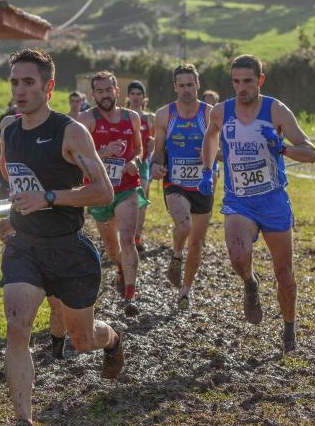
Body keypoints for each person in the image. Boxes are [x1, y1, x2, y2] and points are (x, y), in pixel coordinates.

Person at [0, 48, 124, 426]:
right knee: (17, 327)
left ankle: (113, 339)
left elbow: (103, 191)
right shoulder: (8, 130)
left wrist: (49, 197)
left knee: (81, 340)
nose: (20, 89)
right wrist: (14, 215)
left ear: (48, 87)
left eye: (28, 82)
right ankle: (23, 425)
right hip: (25, 248)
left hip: (69, 250)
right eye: (15, 81)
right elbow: (13, 178)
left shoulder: (70, 132)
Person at [199, 54, 315, 353]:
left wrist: (283, 149)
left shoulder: (275, 110)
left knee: (284, 274)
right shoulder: (220, 112)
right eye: (236, 82)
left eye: (248, 81)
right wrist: (206, 169)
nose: (241, 88)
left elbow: (310, 152)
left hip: (273, 200)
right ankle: (250, 283)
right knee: (238, 255)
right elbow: (211, 137)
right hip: (239, 201)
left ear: (260, 80)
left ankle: (289, 331)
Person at [78, 71, 146, 316]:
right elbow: (76, 155)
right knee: (111, 247)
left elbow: (139, 148)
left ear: (117, 91)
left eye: (109, 90)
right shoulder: (86, 120)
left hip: (127, 186)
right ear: (93, 94)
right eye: (100, 91)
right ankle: (120, 267)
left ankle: (130, 295)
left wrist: (135, 162)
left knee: (127, 239)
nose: (105, 95)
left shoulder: (132, 118)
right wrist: (103, 152)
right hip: (99, 191)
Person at [151, 64, 214, 308]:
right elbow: (158, 153)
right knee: (184, 224)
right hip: (175, 182)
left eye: (190, 85)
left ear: (198, 85)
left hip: (203, 183)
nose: (186, 90)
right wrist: (156, 166)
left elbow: (224, 150)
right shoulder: (164, 115)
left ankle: (185, 291)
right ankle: (176, 255)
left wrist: (210, 154)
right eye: (181, 85)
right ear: (175, 87)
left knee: (197, 243)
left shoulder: (210, 114)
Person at [126, 81, 155, 253]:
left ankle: (137, 237)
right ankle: (124, 235)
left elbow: (156, 139)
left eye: (139, 94)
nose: (136, 97)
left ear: (144, 97)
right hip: (124, 164)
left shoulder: (149, 117)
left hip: (143, 163)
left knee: (141, 201)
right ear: (128, 96)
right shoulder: (123, 115)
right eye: (133, 94)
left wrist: (153, 143)